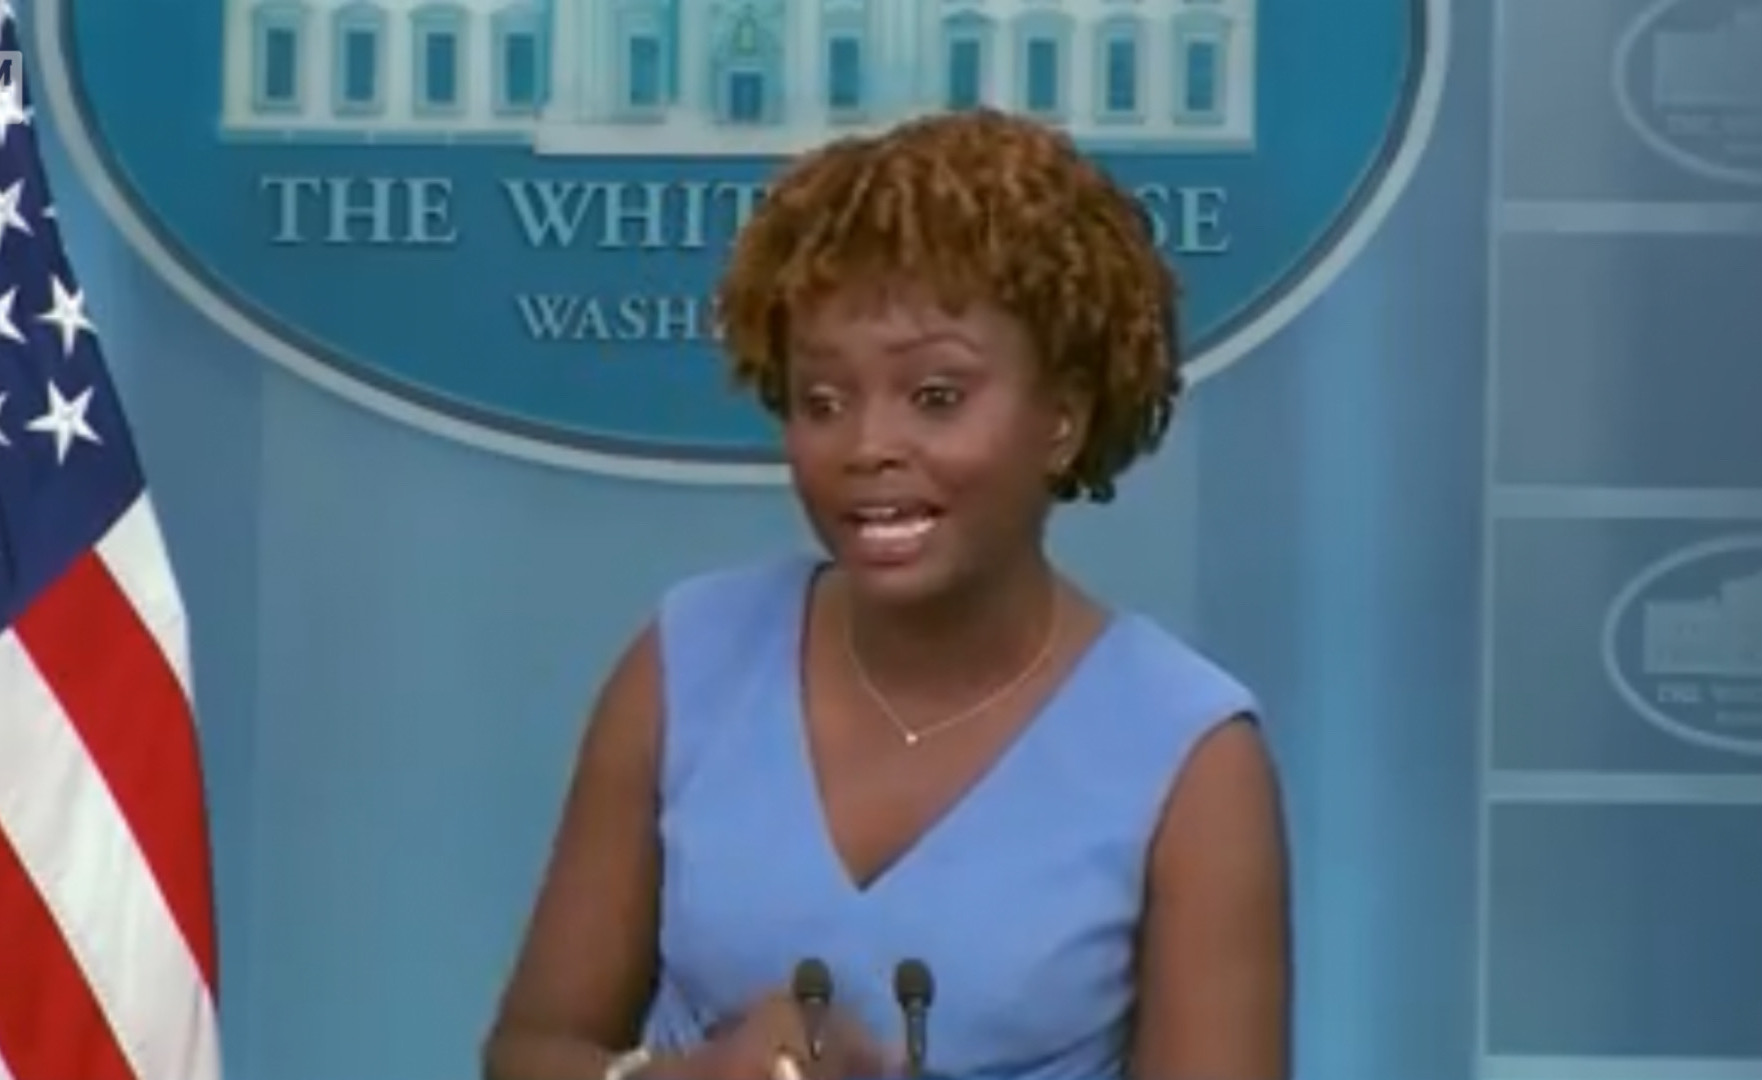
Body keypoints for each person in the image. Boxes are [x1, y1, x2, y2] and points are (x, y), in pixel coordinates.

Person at [481, 108, 1290, 1080]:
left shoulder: (1190, 756)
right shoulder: (686, 661)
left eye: (936, 397)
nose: (866, 447)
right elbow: (530, 1053)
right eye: (822, 401)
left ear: (1064, 418)